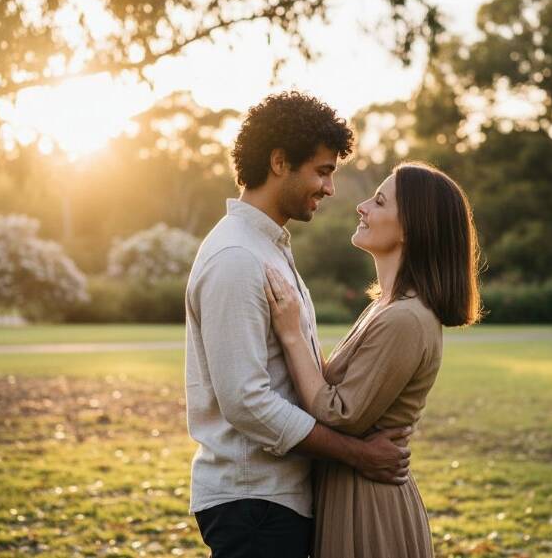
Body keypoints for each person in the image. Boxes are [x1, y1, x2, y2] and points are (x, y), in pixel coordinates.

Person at [185, 91, 413, 558]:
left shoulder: (267, 247)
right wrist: (358, 454)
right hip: (253, 504)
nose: (330, 188)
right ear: (279, 161)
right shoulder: (236, 257)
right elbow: (246, 402)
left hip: (276, 501)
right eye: (323, 170)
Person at [264, 161, 482, 558]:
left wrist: (292, 334)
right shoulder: (384, 307)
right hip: (349, 492)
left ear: (412, 228)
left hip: (369, 509)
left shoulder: (406, 318)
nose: (361, 206)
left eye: (379, 201)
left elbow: (339, 413)